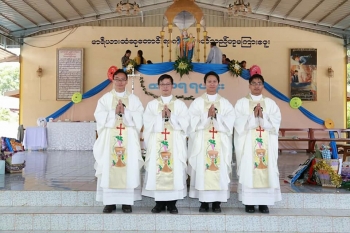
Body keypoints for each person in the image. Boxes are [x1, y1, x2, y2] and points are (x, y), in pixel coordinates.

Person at [93, 69, 144, 214]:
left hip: (128, 138)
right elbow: (99, 115)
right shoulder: (105, 98)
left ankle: (127, 202)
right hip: (110, 139)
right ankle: (110, 202)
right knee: (109, 167)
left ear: (127, 81)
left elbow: (139, 117)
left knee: (129, 168)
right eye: (117, 79)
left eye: (123, 79)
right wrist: (113, 113)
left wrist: (126, 113)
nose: (120, 82)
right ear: (113, 80)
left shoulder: (134, 99)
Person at [187, 71, 235, 213]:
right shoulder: (198, 102)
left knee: (218, 171)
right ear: (204, 83)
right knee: (203, 170)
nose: (212, 84)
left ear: (218, 84)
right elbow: (191, 121)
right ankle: (203, 202)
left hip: (219, 142)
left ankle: (217, 203)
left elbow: (231, 120)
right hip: (203, 143)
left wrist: (217, 116)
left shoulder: (225, 103)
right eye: (209, 81)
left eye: (214, 81)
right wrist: (206, 115)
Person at [233, 74, 282, 214]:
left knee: (267, 169)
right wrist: (252, 116)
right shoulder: (241, 103)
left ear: (263, 85)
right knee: (249, 170)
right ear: (249, 85)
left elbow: (276, 122)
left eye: (259, 83)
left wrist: (263, 116)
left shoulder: (271, 103)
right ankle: (249, 203)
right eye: (253, 83)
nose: (256, 86)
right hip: (249, 145)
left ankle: (264, 203)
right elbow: (237, 122)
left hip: (266, 144)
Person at [142, 74, 189, 214]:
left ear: (172, 86)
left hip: (174, 143)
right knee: (157, 170)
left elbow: (186, 124)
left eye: (168, 84)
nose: (165, 87)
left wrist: (172, 116)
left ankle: (172, 204)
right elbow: (147, 123)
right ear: (159, 86)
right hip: (157, 143)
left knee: (175, 171)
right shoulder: (152, 105)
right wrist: (160, 116)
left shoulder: (180, 105)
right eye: (162, 84)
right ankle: (159, 203)